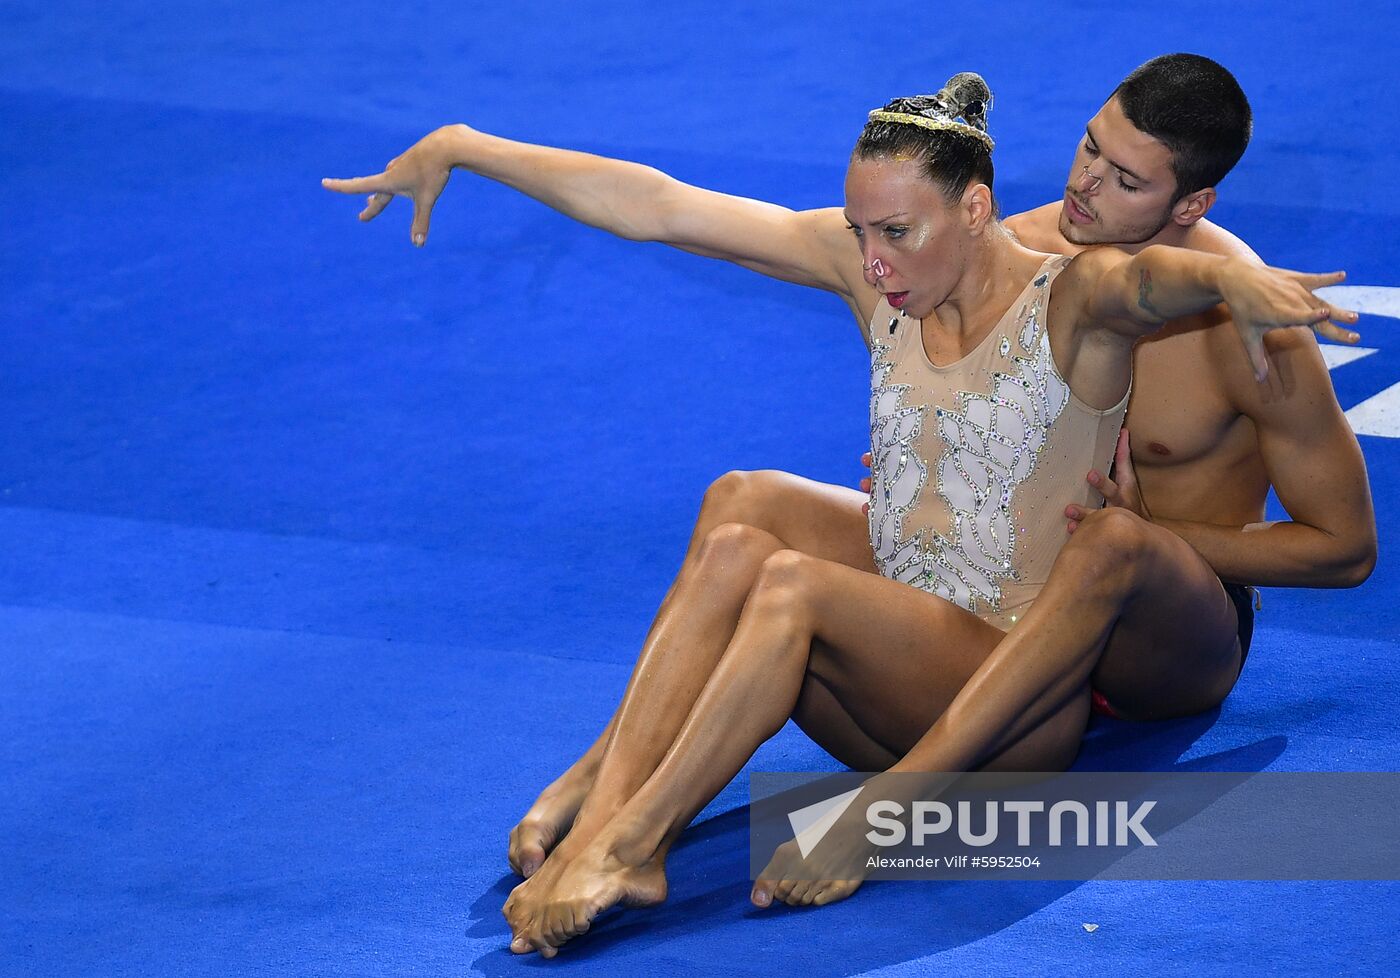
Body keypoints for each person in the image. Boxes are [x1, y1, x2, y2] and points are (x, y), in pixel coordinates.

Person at [323, 66, 1361, 956]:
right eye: (1087, 148)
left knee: (1110, 539)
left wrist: (1231, 298)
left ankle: (853, 818)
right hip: (982, 604)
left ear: (1191, 201)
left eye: (1125, 177)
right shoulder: (982, 243)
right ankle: (609, 791)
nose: (1085, 182)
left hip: (1155, 635)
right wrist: (466, 144)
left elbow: (1336, 538)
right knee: (747, 506)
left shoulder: (1221, 309)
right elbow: (663, 204)